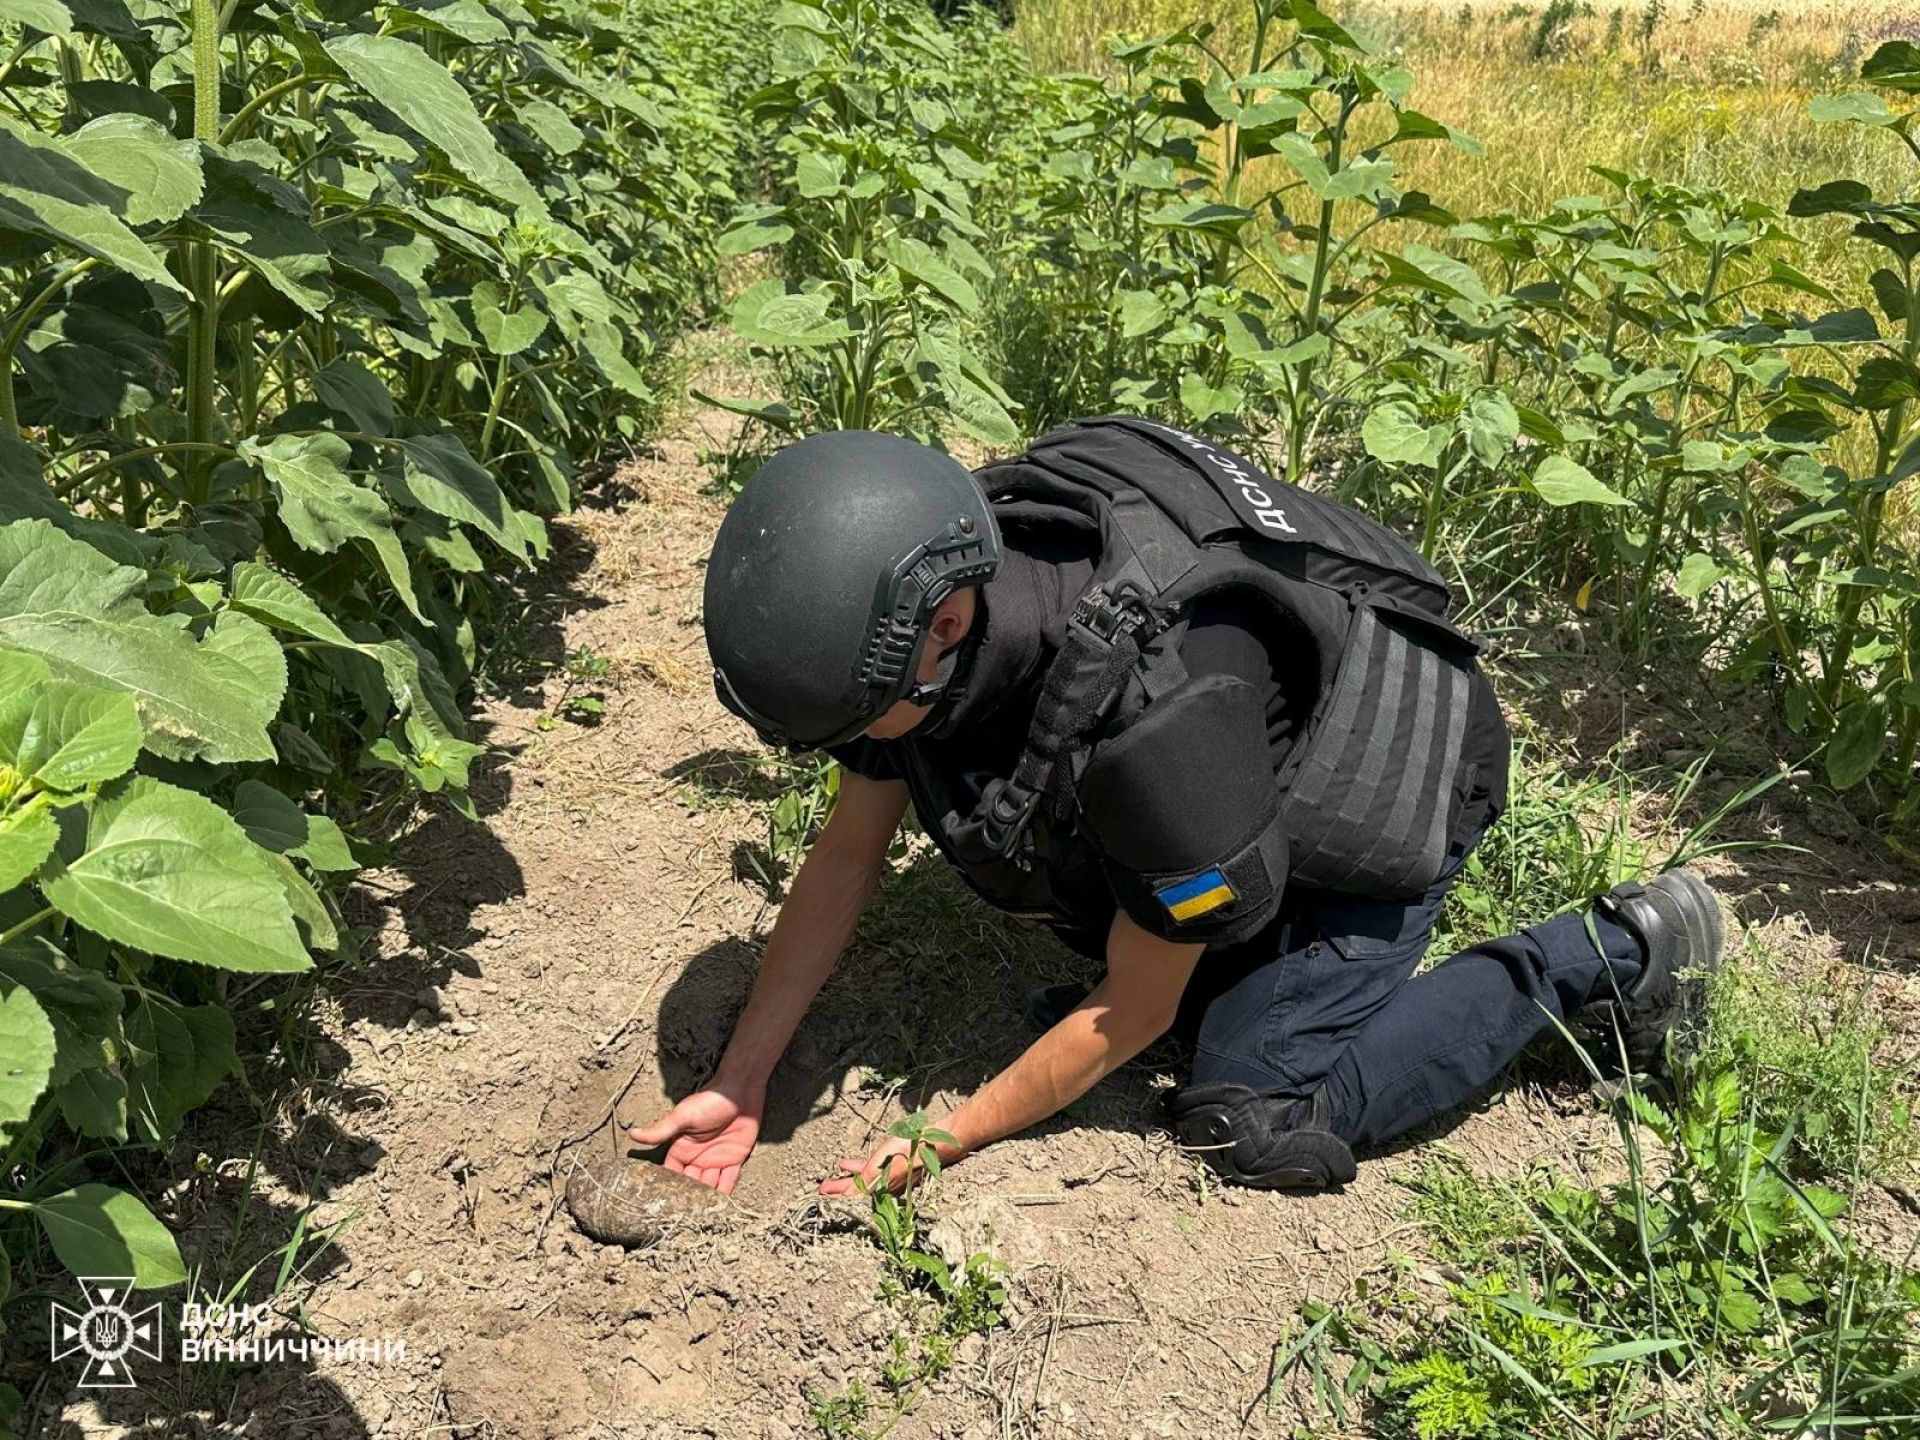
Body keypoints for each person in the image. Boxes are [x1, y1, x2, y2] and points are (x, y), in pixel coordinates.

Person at [630, 419, 1726, 1197]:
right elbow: (846, 854)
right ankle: (1223, 914)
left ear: (948, 625)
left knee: (1252, 1112)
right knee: (1152, 908)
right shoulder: (935, 575)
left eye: (857, 718)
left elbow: (1130, 1012)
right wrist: (743, 1077)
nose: (853, 745)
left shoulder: (1154, 722)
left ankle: (1620, 950)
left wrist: (942, 1136)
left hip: (1398, 778)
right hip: (1249, 758)